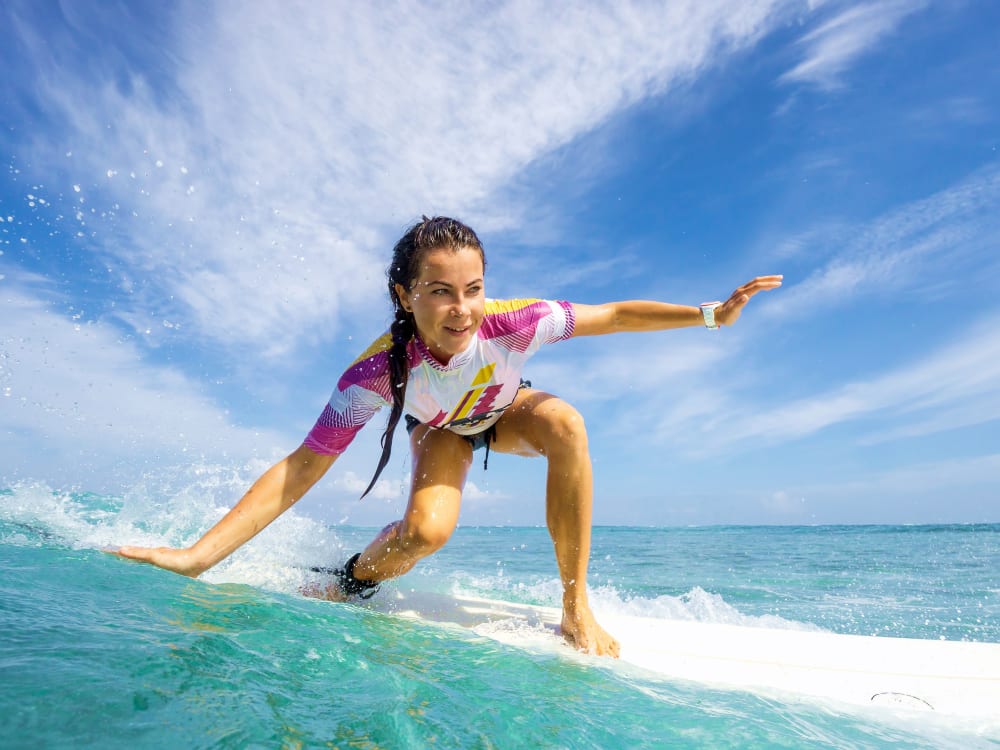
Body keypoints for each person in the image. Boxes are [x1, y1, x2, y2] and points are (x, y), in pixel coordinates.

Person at [115, 216, 782, 657]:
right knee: (423, 536)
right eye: (439, 291)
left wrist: (708, 316)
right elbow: (301, 468)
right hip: (440, 430)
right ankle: (349, 580)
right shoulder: (377, 373)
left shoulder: (517, 322)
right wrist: (200, 557)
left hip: (505, 410)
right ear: (405, 294)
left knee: (565, 422)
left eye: (472, 288)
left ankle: (577, 606)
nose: (460, 308)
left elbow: (612, 315)